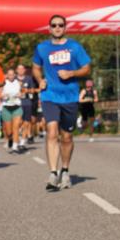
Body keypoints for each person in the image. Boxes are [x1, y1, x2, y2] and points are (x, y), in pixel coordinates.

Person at [32, 15, 91, 191]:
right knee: (51, 132)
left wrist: (71, 73)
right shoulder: (42, 48)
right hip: (50, 96)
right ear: (49, 28)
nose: (57, 28)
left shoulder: (75, 47)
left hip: (70, 97)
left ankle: (65, 170)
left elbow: (86, 68)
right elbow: (36, 67)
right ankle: (53, 173)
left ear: (65, 27)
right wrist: (40, 80)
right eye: (54, 25)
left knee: (66, 137)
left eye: (60, 25)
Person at [0, 66, 24, 153]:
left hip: (16, 107)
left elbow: (23, 93)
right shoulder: (3, 83)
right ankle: (10, 138)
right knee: (9, 131)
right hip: (6, 108)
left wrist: (20, 94)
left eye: (12, 74)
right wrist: (4, 96)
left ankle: (15, 146)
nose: (11, 76)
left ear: (15, 75)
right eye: (9, 74)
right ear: (6, 75)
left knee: (16, 127)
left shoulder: (19, 83)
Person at [18, 63, 38, 145]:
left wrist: (27, 90)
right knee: (19, 121)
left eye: (22, 69)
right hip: (16, 103)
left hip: (27, 102)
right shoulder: (14, 79)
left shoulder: (29, 79)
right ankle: (20, 133)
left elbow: (33, 90)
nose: (20, 70)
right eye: (19, 69)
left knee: (27, 121)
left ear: (24, 70)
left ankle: (23, 140)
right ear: (17, 70)